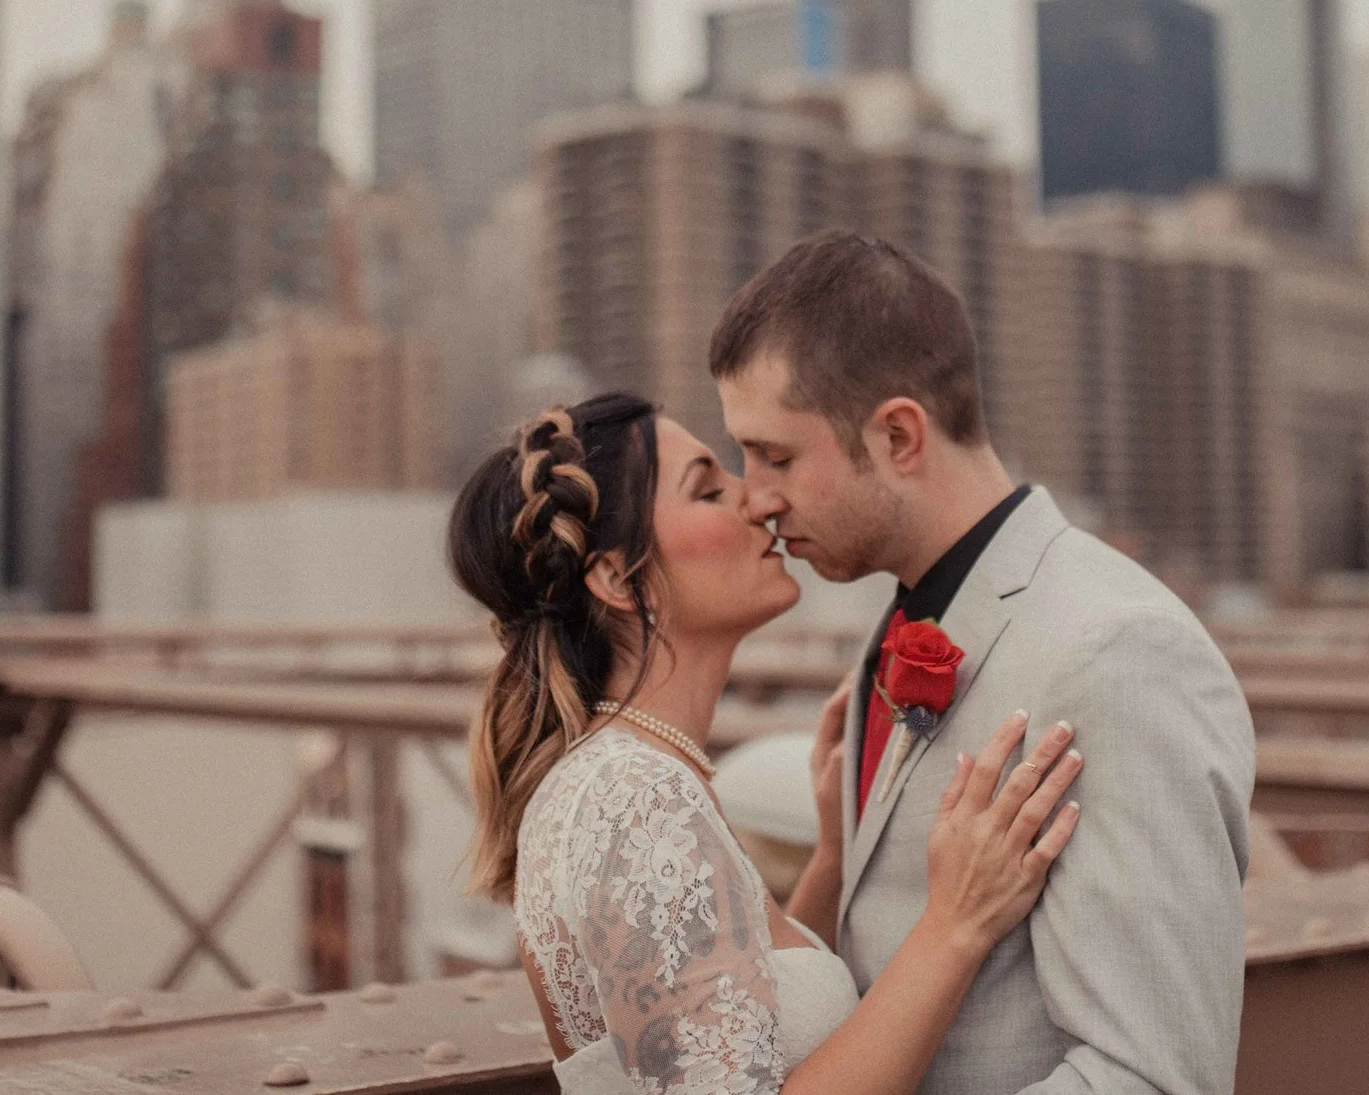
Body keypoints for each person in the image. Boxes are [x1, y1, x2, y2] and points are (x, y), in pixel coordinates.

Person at [714, 231, 1254, 1095]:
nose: (754, 497)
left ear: (899, 435)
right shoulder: (898, 619)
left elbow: (1152, 1077)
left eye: (777, 456)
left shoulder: (1116, 652)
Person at [450, 391, 1085, 1094]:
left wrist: (833, 853)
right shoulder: (634, 798)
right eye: (708, 489)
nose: (754, 500)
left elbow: (741, 1019)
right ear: (617, 578)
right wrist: (957, 923)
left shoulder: (629, 776)